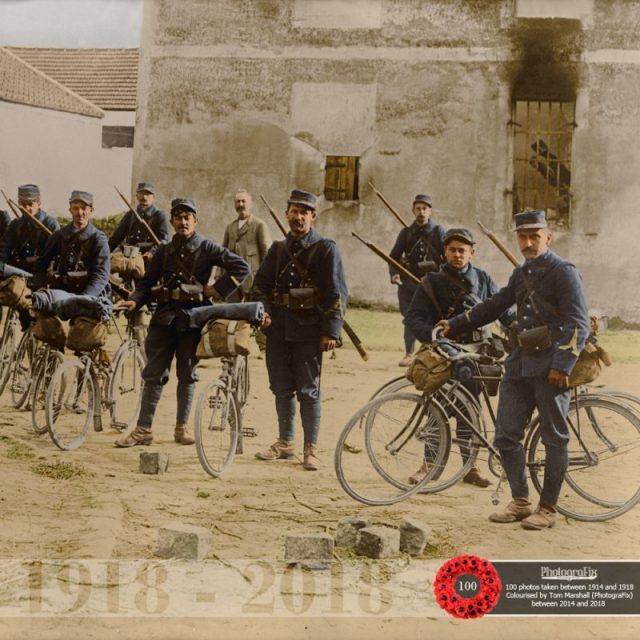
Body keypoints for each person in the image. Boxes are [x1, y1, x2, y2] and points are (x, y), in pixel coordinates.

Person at [439, 210, 590, 530]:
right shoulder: (522, 273)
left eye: (535, 236)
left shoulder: (564, 272)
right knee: (506, 435)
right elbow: (494, 305)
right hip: (520, 364)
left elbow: (577, 322)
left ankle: (547, 508)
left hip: (551, 366)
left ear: (548, 237)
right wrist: (453, 325)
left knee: (554, 439)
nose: (528, 242)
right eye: (523, 236)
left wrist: (562, 365)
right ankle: (521, 501)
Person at [114, 198, 250, 447]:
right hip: (164, 318)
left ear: (195, 221)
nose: (183, 222)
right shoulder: (164, 250)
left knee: (187, 373)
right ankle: (143, 429)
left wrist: (215, 291)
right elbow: (146, 282)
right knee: (153, 373)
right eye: (178, 217)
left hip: (193, 320)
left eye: (188, 217)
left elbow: (242, 267)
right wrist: (135, 300)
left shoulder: (207, 247)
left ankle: (181, 428)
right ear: (172, 221)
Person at [404, 227, 516, 488]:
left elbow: (503, 313)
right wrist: (434, 337)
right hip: (443, 355)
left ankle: (471, 466)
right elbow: (413, 318)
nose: (457, 255)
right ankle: (429, 465)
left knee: (471, 412)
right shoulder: (431, 281)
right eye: (452, 250)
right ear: (444, 252)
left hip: (476, 354)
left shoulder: (484, 279)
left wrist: (519, 326)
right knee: (436, 409)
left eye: (462, 250)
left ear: (472, 253)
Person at [251, 189, 347, 471]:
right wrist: (264, 311)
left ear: (313, 217)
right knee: (281, 387)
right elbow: (260, 285)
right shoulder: (278, 249)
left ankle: (311, 448)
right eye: (294, 211)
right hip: (278, 329)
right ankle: (285, 442)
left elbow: (336, 293)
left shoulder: (326, 248)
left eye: (304, 212)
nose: (298, 217)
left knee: (308, 390)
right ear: (287, 214)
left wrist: (331, 331)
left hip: (309, 330)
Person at [32, 190, 111, 321]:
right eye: (75, 208)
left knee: (82, 336)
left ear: (91, 210)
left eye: (84, 208)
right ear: (70, 210)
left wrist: (83, 300)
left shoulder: (98, 239)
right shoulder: (59, 235)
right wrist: (40, 287)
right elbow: (41, 264)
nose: (80, 213)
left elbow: (101, 274)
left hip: (90, 295)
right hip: (61, 293)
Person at [389, 194, 446, 367]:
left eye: (425, 208)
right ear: (413, 211)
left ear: (430, 211)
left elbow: (446, 256)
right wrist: (395, 274)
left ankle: (431, 352)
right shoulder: (406, 233)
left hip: (432, 283)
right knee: (410, 317)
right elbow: (393, 257)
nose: (421, 212)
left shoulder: (438, 231)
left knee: (432, 317)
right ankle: (408, 353)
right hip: (409, 284)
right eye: (418, 209)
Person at [0, 185, 60, 326]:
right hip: (19, 275)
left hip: (42, 276)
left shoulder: (50, 223)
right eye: (23, 204)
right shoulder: (15, 225)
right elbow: (3, 250)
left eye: (30, 204)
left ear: (39, 203)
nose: (26, 208)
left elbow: (59, 255)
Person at [219, 189, 271, 299]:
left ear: (250, 204)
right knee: (232, 313)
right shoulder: (230, 227)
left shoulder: (259, 225)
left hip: (252, 280)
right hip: (232, 281)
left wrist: (264, 280)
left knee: (253, 312)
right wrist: (219, 276)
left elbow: (267, 255)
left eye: (243, 201)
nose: (240, 204)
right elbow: (222, 254)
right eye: (237, 202)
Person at [109, 181, 170, 257]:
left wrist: (152, 252)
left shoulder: (159, 215)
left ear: (153, 197)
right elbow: (116, 238)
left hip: (150, 258)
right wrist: (105, 252)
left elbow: (163, 240)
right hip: (130, 255)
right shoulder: (130, 214)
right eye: (141, 193)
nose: (144, 197)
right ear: (137, 196)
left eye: (148, 194)